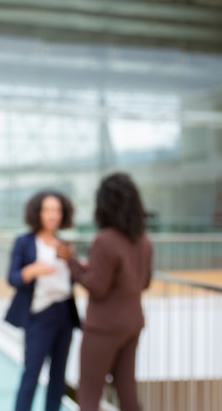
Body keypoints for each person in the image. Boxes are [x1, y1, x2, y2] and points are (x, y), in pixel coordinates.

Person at [58, 172, 153, 411]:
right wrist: (87, 267)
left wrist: (70, 261)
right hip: (132, 324)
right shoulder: (144, 240)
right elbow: (143, 283)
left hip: (103, 328)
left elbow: (97, 288)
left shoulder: (104, 240)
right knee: (128, 393)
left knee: (89, 394)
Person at [4, 190, 81, 411]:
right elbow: (13, 277)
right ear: (37, 213)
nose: (52, 215)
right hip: (38, 314)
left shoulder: (65, 244)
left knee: (58, 377)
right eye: (47, 210)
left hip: (64, 314)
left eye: (56, 210)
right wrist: (33, 270)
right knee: (32, 373)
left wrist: (76, 263)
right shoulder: (24, 242)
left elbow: (72, 278)